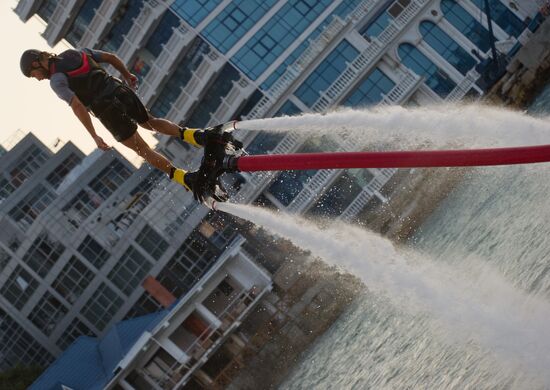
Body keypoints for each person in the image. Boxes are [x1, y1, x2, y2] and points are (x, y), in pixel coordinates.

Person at [20, 48, 235, 202]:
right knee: (150, 122)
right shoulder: (74, 52)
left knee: (143, 149)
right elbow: (110, 57)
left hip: (106, 109)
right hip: (117, 89)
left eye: (34, 75)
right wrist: (127, 75)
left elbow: (77, 105)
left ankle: (185, 178)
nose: (37, 79)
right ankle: (199, 136)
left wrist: (94, 135)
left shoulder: (56, 81)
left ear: (36, 64)